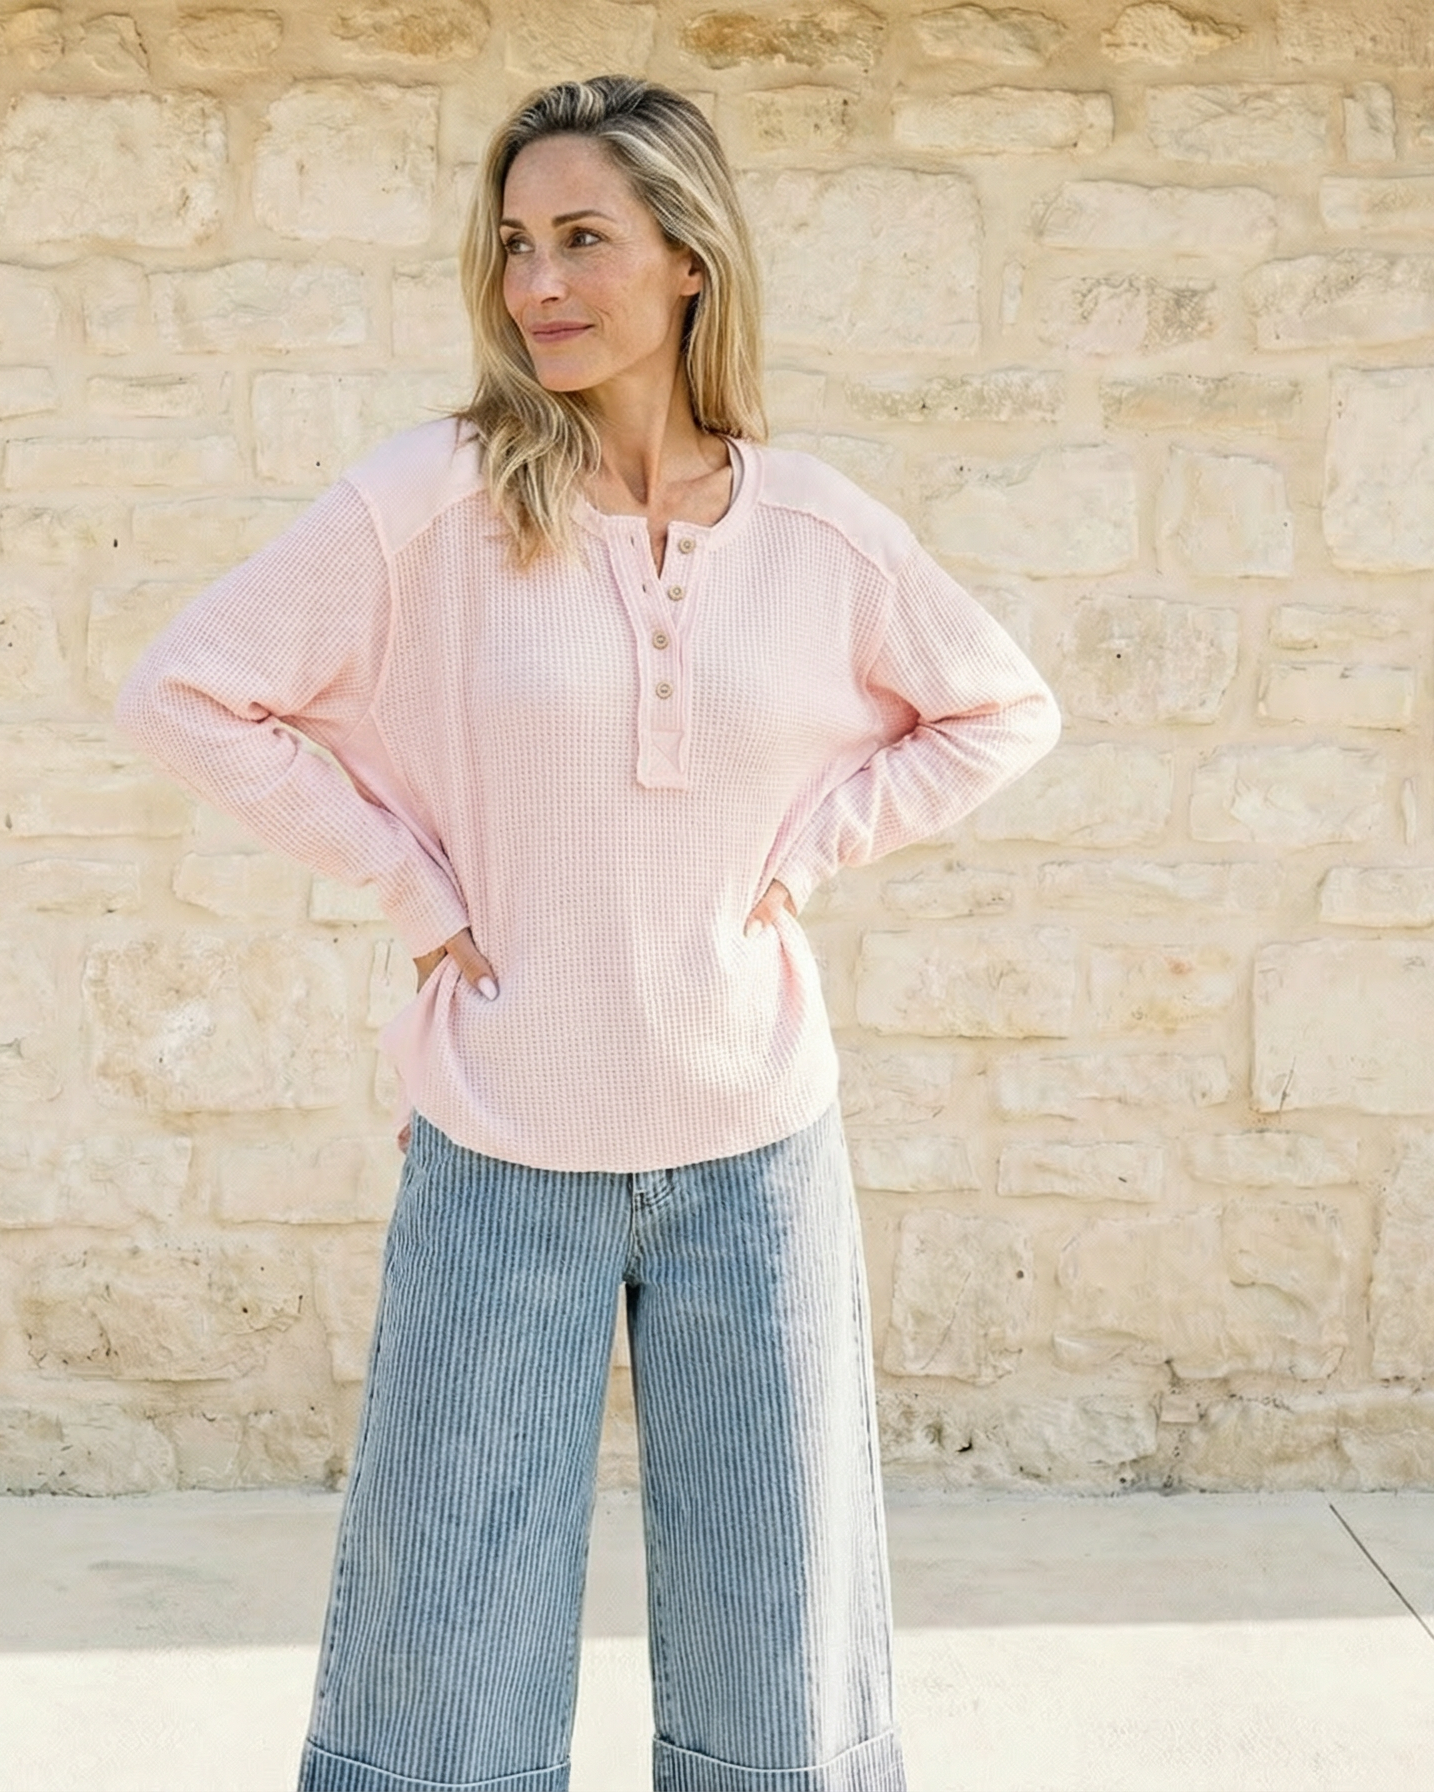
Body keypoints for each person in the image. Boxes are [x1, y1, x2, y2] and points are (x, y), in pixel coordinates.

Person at [117, 73, 1060, 1792]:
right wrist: (416, 888)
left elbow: (999, 709)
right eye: (512, 246)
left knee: (782, 1665)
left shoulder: (815, 526)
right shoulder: (433, 499)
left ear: (687, 258)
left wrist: (809, 845)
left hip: (757, 1143)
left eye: (580, 240)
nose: (536, 283)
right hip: (501, 1138)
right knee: (443, 1661)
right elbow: (189, 688)